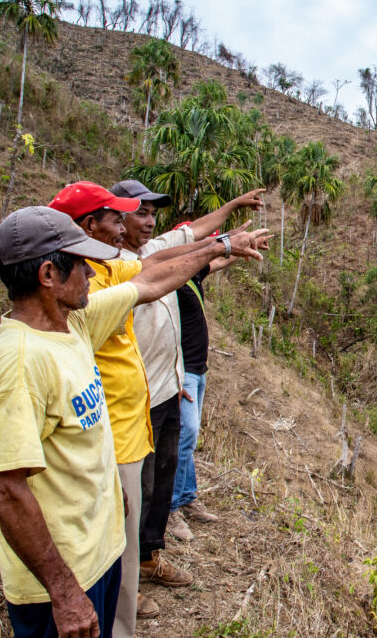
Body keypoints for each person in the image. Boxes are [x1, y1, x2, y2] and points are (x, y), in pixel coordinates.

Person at [0, 206, 266, 638]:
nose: (93, 274)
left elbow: (148, 282)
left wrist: (222, 245)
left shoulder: (74, 323)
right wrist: (64, 592)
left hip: (101, 554)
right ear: (48, 276)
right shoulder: (18, 363)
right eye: (80, 264)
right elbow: (6, 490)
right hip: (62, 581)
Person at [106, 180, 265, 592]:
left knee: (160, 481)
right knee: (132, 493)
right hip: (130, 401)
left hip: (167, 390)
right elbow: (186, 253)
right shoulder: (112, 267)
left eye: (152, 213)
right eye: (140, 212)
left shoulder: (151, 249)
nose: (149, 220)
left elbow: (193, 234)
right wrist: (221, 247)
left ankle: (147, 559)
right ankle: (124, 582)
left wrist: (230, 210)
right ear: (115, 217)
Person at [166, 224, 234, 542]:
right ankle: (170, 509)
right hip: (183, 372)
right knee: (184, 435)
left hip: (199, 368)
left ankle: (187, 496)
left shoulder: (192, 275)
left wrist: (239, 250)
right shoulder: (171, 280)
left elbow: (217, 261)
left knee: (189, 438)